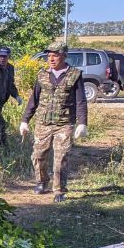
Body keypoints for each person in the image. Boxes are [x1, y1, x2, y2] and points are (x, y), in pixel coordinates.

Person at [19, 42, 88, 201]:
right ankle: (42, 181)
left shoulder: (74, 75)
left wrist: (82, 122)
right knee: (38, 155)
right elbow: (33, 100)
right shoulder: (42, 74)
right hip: (43, 123)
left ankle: (59, 191)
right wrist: (25, 120)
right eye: (49, 56)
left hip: (64, 124)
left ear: (64, 56)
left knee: (61, 158)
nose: (51, 59)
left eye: (55, 55)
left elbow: (81, 101)